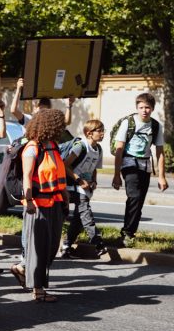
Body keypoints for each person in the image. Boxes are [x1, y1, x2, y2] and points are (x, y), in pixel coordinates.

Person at [20, 109, 69, 302]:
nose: (62, 128)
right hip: (38, 204)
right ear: (51, 126)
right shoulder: (32, 148)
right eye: (60, 125)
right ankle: (38, 289)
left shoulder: (53, 146)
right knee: (39, 249)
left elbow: (59, 176)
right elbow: (26, 176)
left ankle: (24, 269)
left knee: (52, 247)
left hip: (55, 202)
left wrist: (65, 199)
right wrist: (29, 201)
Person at [112, 92, 167, 246]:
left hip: (145, 165)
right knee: (134, 197)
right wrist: (116, 175)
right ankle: (127, 234)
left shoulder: (156, 126)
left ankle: (130, 233)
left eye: (147, 107)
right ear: (137, 108)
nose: (144, 110)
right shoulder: (128, 123)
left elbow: (160, 152)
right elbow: (119, 149)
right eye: (141, 107)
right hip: (129, 163)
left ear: (152, 108)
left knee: (139, 201)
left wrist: (161, 177)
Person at [61, 119, 106, 258]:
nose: (102, 134)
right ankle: (98, 243)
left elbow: (94, 169)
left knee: (78, 219)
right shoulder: (81, 146)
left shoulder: (98, 149)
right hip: (72, 186)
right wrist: (79, 180)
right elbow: (65, 165)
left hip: (84, 187)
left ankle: (66, 246)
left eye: (103, 130)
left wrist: (94, 181)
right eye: (99, 131)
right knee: (85, 213)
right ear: (89, 133)